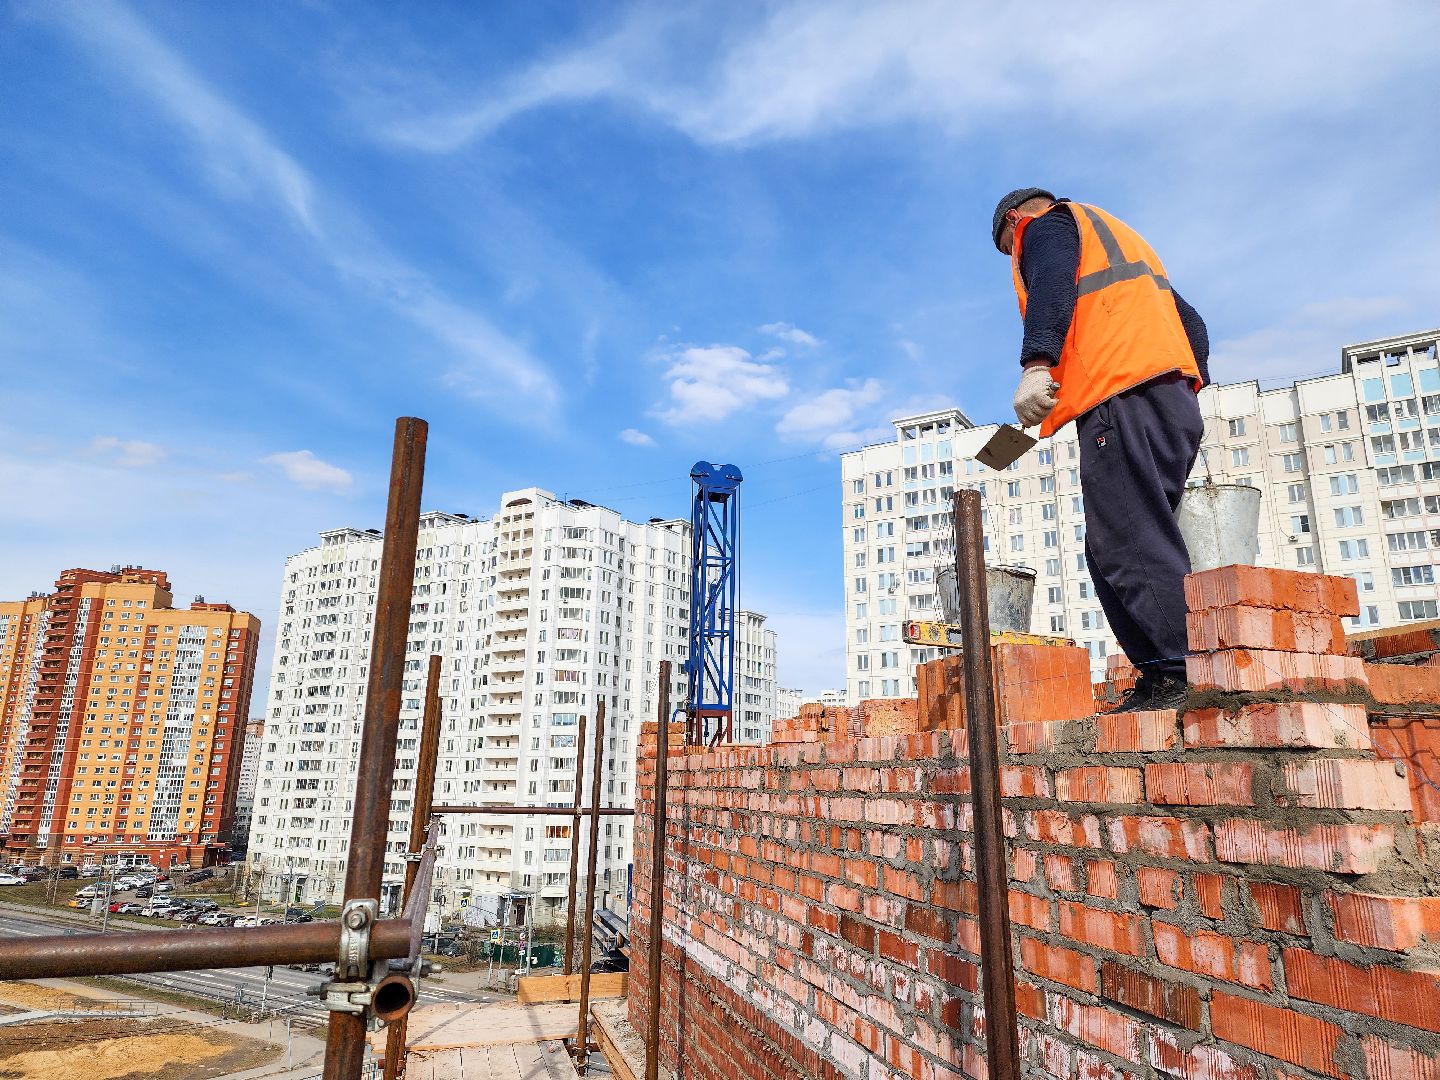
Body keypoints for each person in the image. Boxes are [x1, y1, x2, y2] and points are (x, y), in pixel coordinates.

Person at [991, 188, 1211, 712]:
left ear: (1015, 220)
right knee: (1117, 543)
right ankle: (1161, 674)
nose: (1013, 257)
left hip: (1123, 397)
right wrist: (1180, 389)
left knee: (1129, 540)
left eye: (1007, 248)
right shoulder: (1122, 248)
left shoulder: (1045, 227)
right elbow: (1193, 323)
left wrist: (1037, 362)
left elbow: (1050, 284)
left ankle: (1183, 676)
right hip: (1168, 400)